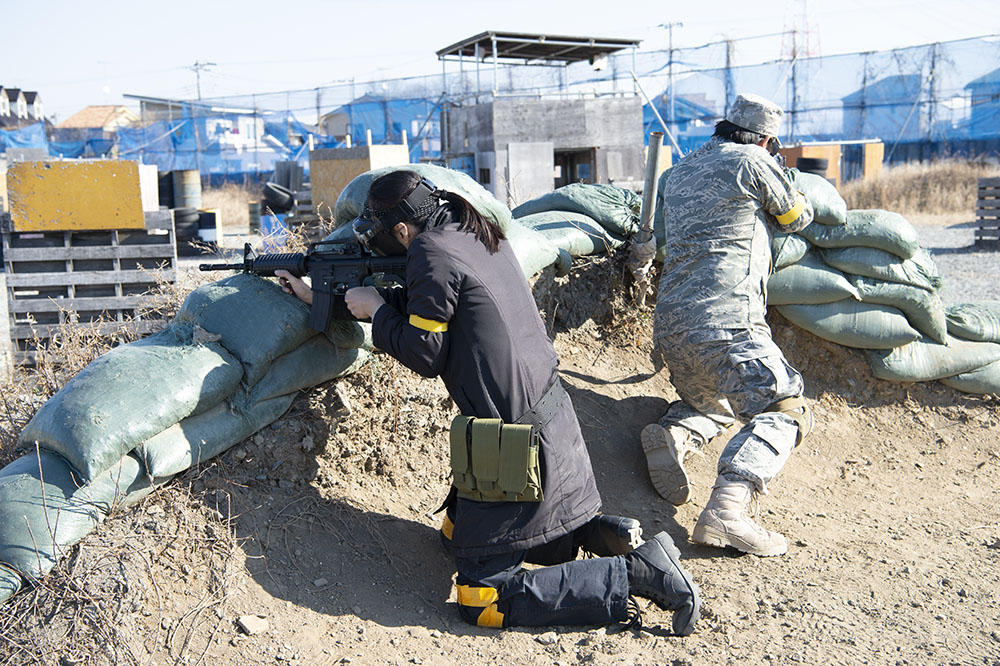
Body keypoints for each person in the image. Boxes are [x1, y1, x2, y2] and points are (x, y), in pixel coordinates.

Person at [277, 170, 700, 633]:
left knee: (482, 600)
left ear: (400, 230)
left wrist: (376, 310)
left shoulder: (428, 250)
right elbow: (431, 311)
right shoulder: (465, 226)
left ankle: (640, 573)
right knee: (454, 537)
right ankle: (596, 533)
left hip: (516, 449)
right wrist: (324, 296)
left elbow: (425, 351)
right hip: (547, 418)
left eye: (379, 235)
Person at [641, 93, 815, 558]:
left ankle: (676, 433)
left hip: (672, 325)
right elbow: (796, 218)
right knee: (785, 408)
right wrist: (784, 174)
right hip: (729, 321)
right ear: (766, 137)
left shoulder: (676, 172)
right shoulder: (754, 162)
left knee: (718, 402)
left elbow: (660, 239)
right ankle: (728, 511)